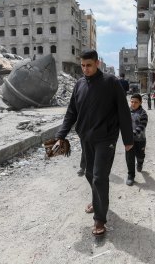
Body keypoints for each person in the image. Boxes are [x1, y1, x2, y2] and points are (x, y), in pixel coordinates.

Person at [55, 49, 133, 237]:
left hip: (106, 138)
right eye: (82, 66)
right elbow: (71, 112)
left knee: (99, 176)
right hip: (86, 138)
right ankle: (98, 201)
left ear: (97, 63)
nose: (85, 69)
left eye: (89, 65)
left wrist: (128, 139)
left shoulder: (111, 82)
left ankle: (100, 218)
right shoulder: (79, 84)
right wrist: (61, 135)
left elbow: (123, 110)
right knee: (90, 174)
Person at [125, 93, 148, 186]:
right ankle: (131, 176)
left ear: (140, 103)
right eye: (132, 102)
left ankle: (140, 163)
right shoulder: (126, 112)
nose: (133, 104)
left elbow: (142, 126)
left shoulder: (143, 113)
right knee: (129, 158)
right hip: (129, 140)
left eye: (136, 102)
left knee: (140, 155)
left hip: (140, 140)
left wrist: (133, 134)